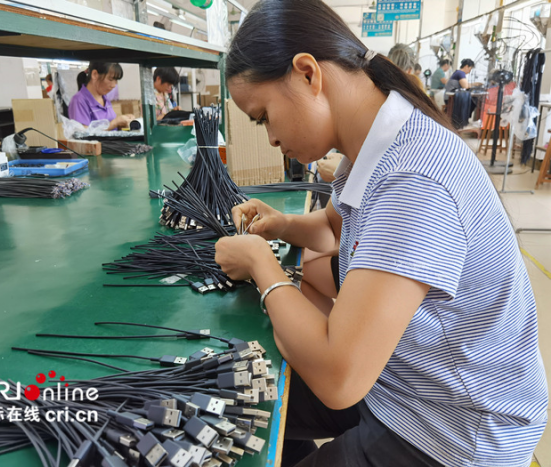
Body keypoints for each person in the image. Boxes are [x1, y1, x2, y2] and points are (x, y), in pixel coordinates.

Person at [214, 2, 548, 467]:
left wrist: (261, 265)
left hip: (454, 427)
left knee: (283, 383)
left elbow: (338, 378)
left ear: (308, 74)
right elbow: (336, 229)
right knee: (243, 401)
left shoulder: (414, 179)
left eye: (263, 115)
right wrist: (283, 224)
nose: (269, 137)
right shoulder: (370, 145)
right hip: (404, 379)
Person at [68, 62, 134, 130]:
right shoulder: (79, 101)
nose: (114, 85)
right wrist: (115, 123)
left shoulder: (105, 99)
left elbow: (111, 129)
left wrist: (122, 123)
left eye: (116, 80)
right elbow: (82, 133)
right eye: (110, 79)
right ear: (94, 74)